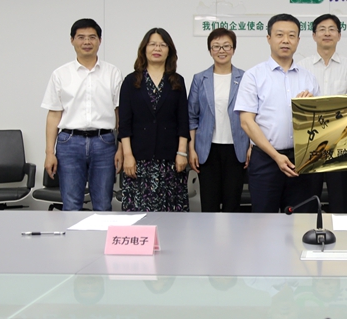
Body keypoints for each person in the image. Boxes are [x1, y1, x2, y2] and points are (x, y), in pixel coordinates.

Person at [235, 13, 321, 213]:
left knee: (301, 221)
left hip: (302, 160)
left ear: (298, 40)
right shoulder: (253, 76)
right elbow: (246, 122)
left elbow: (320, 123)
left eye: (291, 35)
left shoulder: (308, 78)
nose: (286, 40)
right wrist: (276, 156)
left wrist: (311, 108)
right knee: (264, 222)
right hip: (265, 160)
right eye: (280, 35)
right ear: (269, 38)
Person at [41, 18, 123, 211]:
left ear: (100, 40)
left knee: (103, 204)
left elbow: (120, 114)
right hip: (69, 143)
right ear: (72, 40)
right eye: (81, 37)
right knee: (71, 205)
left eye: (92, 37)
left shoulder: (113, 73)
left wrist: (120, 148)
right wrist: (49, 153)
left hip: (104, 143)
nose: (87, 42)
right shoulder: (60, 74)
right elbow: (53, 115)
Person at [118, 28, 190, 212]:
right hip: (138, 160)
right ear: (144, 49)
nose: (157, 48)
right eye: (153, 44)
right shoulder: (131, 81)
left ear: (169, 50)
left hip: (170, 160)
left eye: (162, 45)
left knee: (171, 215)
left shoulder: (177, 81)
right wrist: (128, 155)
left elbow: (183, 120)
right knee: (139, 216)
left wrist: (182, 153)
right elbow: (124, 123)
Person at [299, 14, 347, 213]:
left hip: (340, 139)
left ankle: (340, 230)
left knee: (339, 196)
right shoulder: (302, 66)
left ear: (339, 35)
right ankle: (307, 228)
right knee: (309, 194)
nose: (327, 33)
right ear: (314, 35)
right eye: (322, 29)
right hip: (310, 140)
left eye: (332, 29)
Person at [188, 28, 250, 212]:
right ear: (210, 50)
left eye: (226, 46)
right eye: (216, 46)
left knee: (232, 204)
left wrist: (251, 146)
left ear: (233, 49)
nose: (221, 50)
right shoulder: (200, 79)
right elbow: (191, 116)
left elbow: (253, 115)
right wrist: (191, 149)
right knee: (209, 204)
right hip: (207, 150)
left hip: (236, 149)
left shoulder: (245, 78)